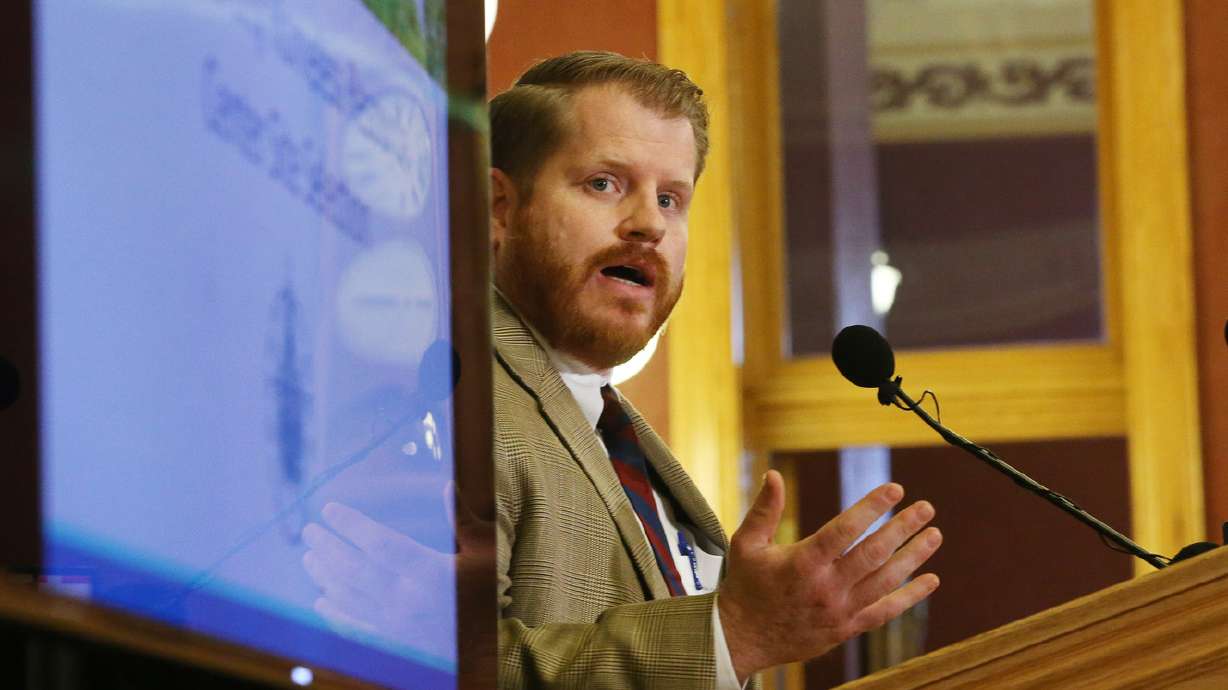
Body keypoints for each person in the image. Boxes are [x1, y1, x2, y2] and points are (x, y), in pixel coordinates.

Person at [302, 51, 942, 689]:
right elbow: (425, 672)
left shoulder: (617, 432)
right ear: (500, 208)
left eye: (670, 198)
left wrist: (734, 642)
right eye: (604, 184)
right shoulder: (443, 396)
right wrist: (734, 636)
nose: (648, 225)